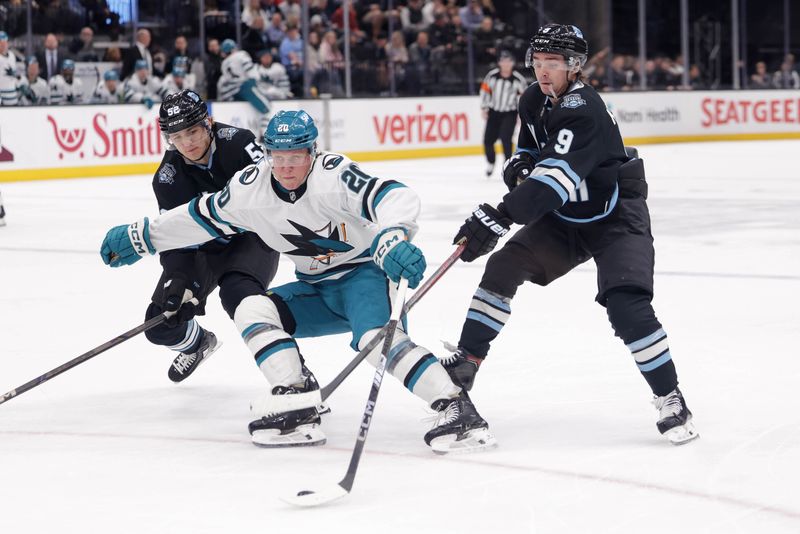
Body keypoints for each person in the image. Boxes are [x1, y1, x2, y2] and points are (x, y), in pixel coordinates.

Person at [99, 110, 495, 454]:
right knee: (252, 306)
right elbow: (198, 216)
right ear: (267, 154)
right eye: (278, 157)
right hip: (316, 289)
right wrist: (143, 236)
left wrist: (392, 237)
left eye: (297, 156)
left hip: (365, 277)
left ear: (312, 152)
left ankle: (456, 407)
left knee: (376, 342)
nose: (287, 166)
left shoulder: (334, 173)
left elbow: (394, 196)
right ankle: (296, 395)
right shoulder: (249, 189)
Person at [443, 24, 699, 445]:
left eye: (553, 64)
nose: (542, 72)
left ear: (575, 67)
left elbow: (554, 181)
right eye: (538, 63)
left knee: (626, 305)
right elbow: (529, 151)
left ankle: (670, 396)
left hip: (616, 215)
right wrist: (519, 168)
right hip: (567, 216)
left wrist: (502, 213)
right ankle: (467, 359)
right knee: (504, 265)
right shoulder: (534, 99)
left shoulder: (584, 108)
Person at [124, 90, 279, 383]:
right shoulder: (167, 177)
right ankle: (199, 344)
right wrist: (178, 278)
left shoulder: (240, 144)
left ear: (208, 122)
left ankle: (293, 374)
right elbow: (174, 237)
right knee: (160, 324)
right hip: (205, 249)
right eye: (177, 137)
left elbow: (274, 199)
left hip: (252, 238)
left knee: (241, 297)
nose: (187, 143)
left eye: (193, 132)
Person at [479, 50, 527, 178]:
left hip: (509, 113)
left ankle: (508, 166)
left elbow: (523, 98)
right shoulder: (492, 76)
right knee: (488, 140)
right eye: (503, 61)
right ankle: (491, 162)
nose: (505, 64)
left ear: (513, 63)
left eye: (508, 61)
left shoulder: (518, 79)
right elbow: (484, 91)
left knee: (506, 139)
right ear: (499, 63)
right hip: (494, 112)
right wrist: (484, 108)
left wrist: (520, 114)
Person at [0, 32, 21, 106]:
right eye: (0, 43)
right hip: (2, 97)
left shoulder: (12, 56)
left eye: (4, 42)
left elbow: (13, 74)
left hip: (12, 96)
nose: (3, 45)